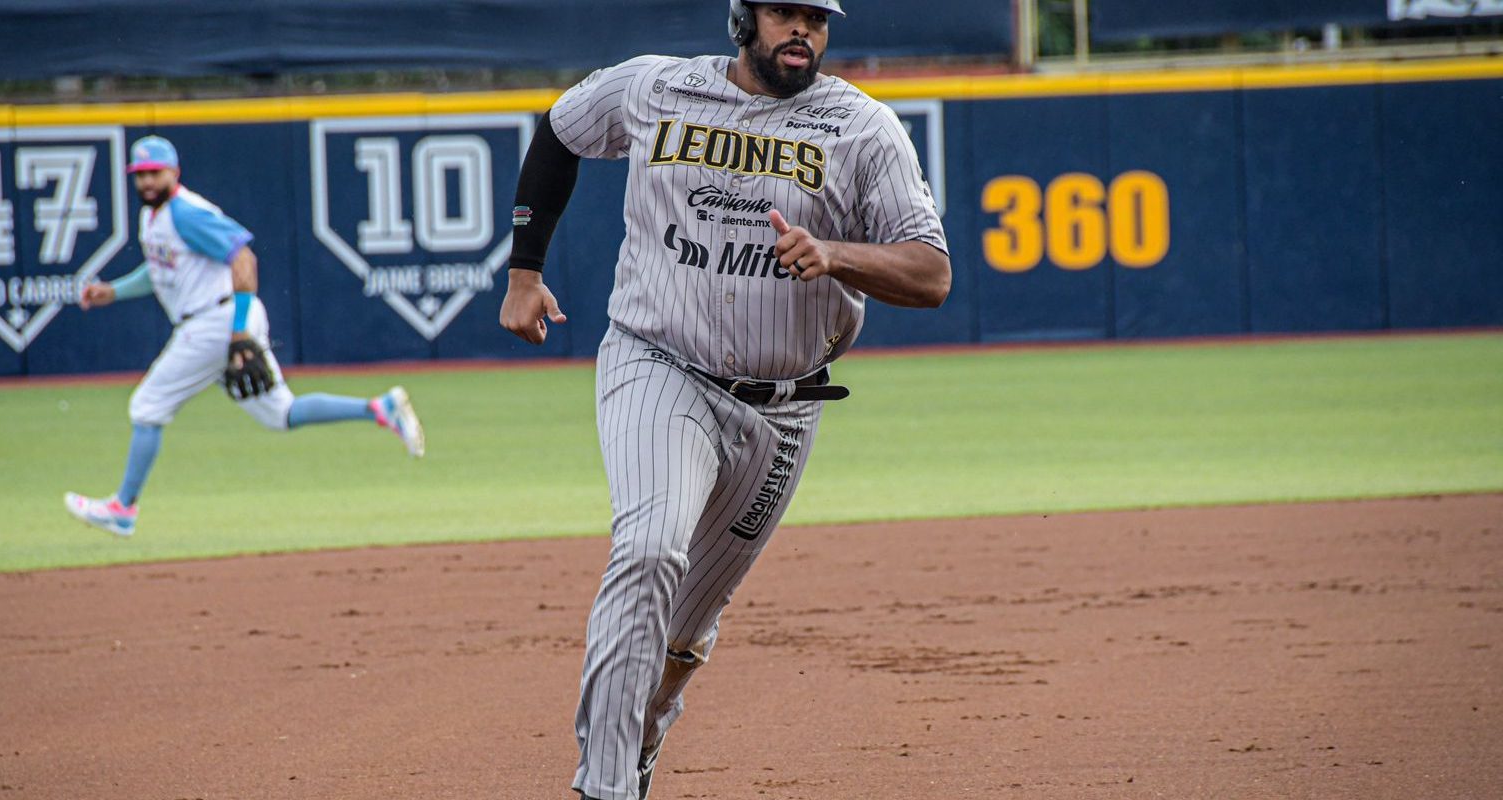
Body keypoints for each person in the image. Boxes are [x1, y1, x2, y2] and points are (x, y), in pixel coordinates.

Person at [499, 1, 950, 797]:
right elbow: (560, 130)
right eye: (785, 13)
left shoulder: (861, 128)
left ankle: (642, 736)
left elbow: (932, 273)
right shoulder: (656, 89)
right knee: (647, 552)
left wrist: (836, 254)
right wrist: (525, 271)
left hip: (783, 405)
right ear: (743, 18)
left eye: (817, 17)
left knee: (682, 629)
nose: (802, 31)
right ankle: (601, 787)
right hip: (657, 361)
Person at [64, 135, 425, 538]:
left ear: (174, 173)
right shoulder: (155, 216)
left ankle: (122, 508)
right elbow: (161, 271)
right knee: (281, 413)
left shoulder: (186, 213)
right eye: (140, 175)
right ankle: (378, 408)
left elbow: (243, 257)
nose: (147, 182)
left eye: (155, 173)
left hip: (217, 321)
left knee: (147, 407)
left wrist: (237, 333)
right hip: (219, 321)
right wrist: (112, 291)